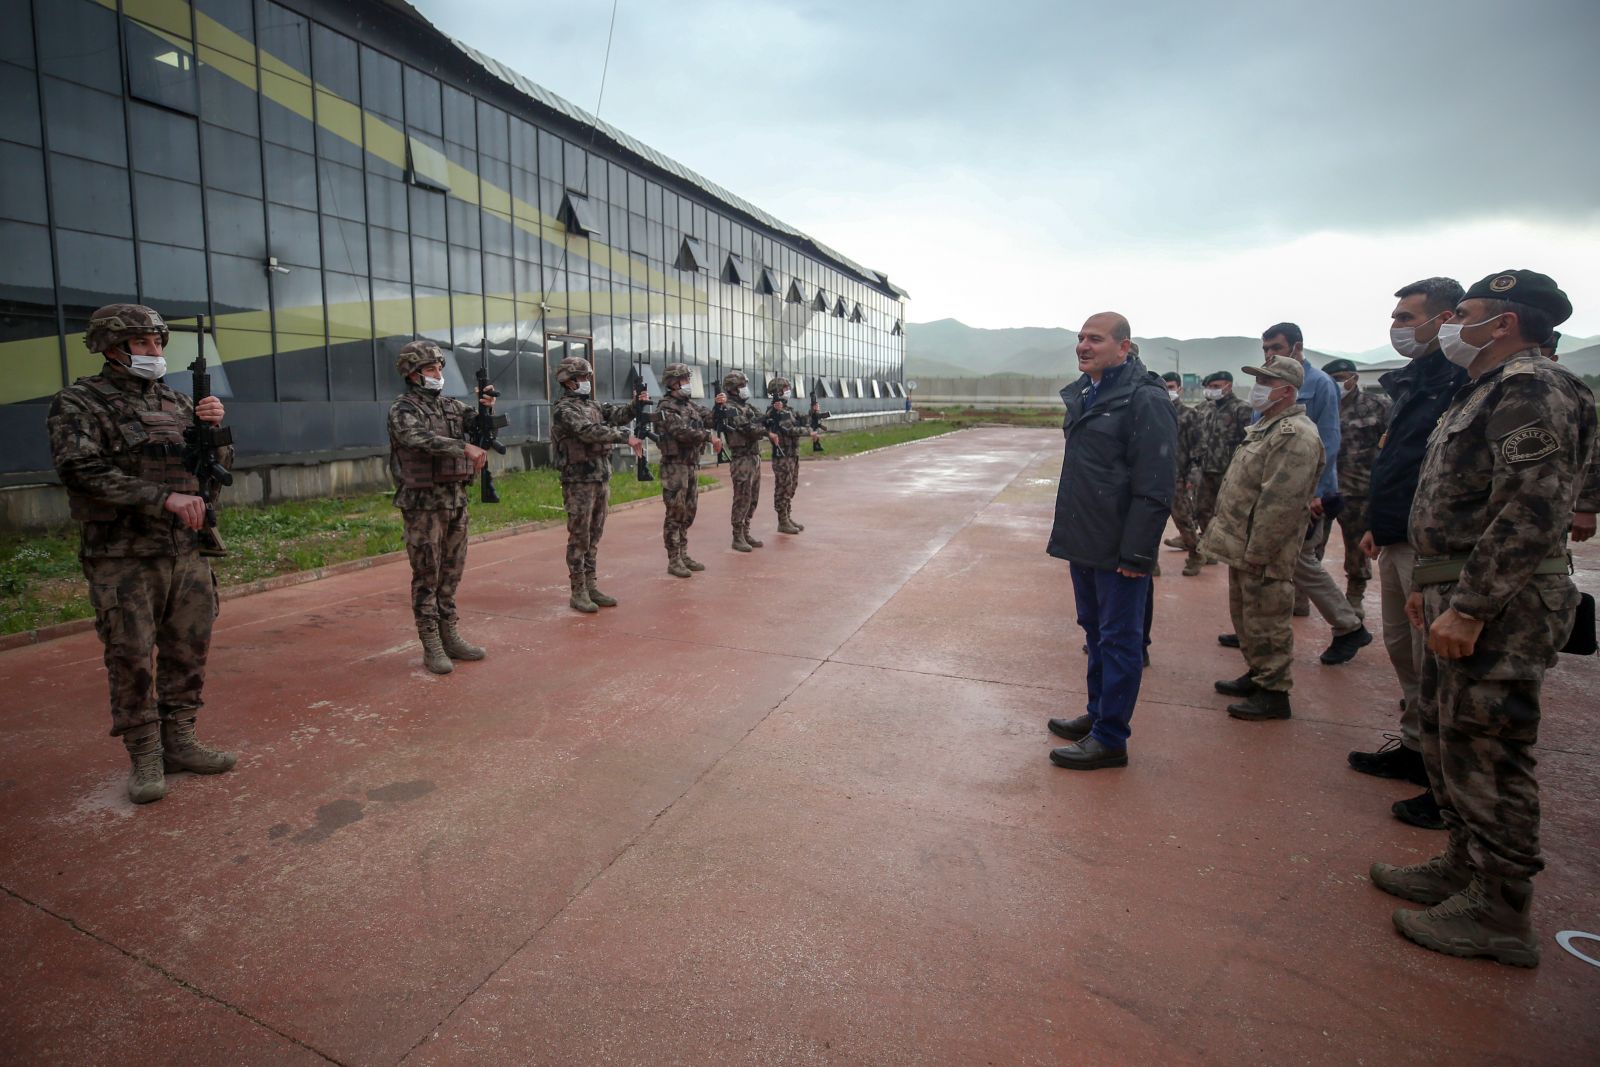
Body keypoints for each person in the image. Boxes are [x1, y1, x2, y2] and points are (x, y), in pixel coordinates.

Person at [1373, 269, 1595, 968]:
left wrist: (1469, 607)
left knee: (1491, 751)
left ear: (1503, 323)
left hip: (1501, 604)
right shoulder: (1485, 387)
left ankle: (1501, 911)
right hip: (1456, 587)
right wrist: (1431, 586)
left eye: (1461, 312)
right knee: (1451, 742)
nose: (1449, 325)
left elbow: (1533, 507)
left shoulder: (1532, 387)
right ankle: (1463, 866)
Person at [47, 304, 237, 804]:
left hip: (185, 549)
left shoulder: (178, 401)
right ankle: (145, 753)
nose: (155, 351)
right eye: (142, 343)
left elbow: (212, 469)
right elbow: (80, 470)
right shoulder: (80, 402)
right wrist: (163, 499)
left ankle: (181, 740)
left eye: (158, 342)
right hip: (124, 554)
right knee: (130, 655)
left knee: (188, 648)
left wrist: (215, 432)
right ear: (112, 348)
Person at [1346, 278, 1466, 829]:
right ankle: (1417, 749)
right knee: (1402, 648)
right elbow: (1396, 460)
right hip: (1397, 535)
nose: (1397, 327)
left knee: (1433, 660)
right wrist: (1380, 523)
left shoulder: (1462, 382)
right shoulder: (1415, 382)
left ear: (1444, 320)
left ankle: (1446, 782)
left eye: (1406, 317)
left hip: (1433, 545)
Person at [1044, 312, 1176, 770]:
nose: (1083, 345)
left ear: (1123, 347)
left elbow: (1156, 484)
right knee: (1095, 632)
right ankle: (1099, 714)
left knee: (1120, 640)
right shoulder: (1091, 392)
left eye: (1095, 339)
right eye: (1081, 338)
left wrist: (1137, 554)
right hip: (1086, 539)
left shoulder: (1145, 399)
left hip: (1119, 546)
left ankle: (1111, 738)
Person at [1221, 324, 1371, 664]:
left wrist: (1317, 493)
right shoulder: (1268, 384)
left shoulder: (1319, 384)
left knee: (1298, 562)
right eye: (1265, 348)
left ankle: (1348, 625)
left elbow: (1328, 440)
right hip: (1267, 490)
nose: (1269, 354)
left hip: (1300, 492)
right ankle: (1252, 629)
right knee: (1286, 564)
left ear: (1296, 346)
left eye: (1276, 347)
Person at [1202, 359, 1324, 720]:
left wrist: (1260, 551)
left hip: (1264, 548)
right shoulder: (1266, 427)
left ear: (1286, 391)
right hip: (1244, 543)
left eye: (1266, 382)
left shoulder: (1294, 434)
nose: (1257, 387)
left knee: (1268, 618)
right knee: (1248, 615)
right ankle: (1257, 672)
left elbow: (1281, 502)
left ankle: (1274, 691)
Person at [386, 341, 494, 674]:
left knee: (451, 571)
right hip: (424, 505)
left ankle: (450, 634)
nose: (437, 374)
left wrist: (486, 406)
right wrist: (463, 447)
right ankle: (431, 641)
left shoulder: (451, 406)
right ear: (412, 374)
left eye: (439, 368)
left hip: (455, 500)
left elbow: (479, 427)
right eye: (430, 369)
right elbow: (417, 439)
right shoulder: (403, 409)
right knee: (426, 573)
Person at [550, 355, 646, 613]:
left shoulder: (593, 405)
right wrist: (624, 437)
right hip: (578, 480)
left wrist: (636, 403)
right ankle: (578, 590)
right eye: (581, 377)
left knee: (594, 535)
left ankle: (591, 585)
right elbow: (587, 431)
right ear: (568, 381)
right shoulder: (564, 410)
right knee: (579, 536)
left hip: (600, 477)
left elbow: (619, 415)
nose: (586, 381)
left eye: (587, 377)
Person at [1317, 358, 1391, 609]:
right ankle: (1302, 597)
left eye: (1340, 379)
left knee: (1357, 548)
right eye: (1331, 380)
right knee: (1311, 547)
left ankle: (1354, 599)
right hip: (1323, 488)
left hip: (1358, 489)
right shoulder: (1321, 406)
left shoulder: (1378, 406)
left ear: (1354, 378)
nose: (1335, 384)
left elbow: (1390, 447)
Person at [654, 363, 721, 576]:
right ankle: (674, 559)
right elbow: (680, 432)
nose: (688, 383)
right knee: (675, 513)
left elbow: (711, 419)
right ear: (673, 383)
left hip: (691, 465)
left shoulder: (690, 405)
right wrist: (707, 436)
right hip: (675, 467)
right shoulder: (666, 408)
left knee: (688, 512)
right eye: (684, 379)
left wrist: (719, 406)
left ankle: (683, 554)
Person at [1540, 330, 1600, 543]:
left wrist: (1586, 508)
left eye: (1540, 354)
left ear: (1554, 359)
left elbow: (1590, 447)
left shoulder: (1566, 390)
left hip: (1550, 500)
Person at [1190, 371, 1251, 573]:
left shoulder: (1241, 409)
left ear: (1228, 386)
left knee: (1230, 514)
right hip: (1205, 470)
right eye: (1210, 386)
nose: (1212, 390)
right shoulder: (1204, 408)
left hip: (1230, 472)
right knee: (1202, 510)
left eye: (1217, 386)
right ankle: (1210, 548)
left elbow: (1249, 441)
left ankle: (1236, 552)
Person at [716, 370, 773, 552]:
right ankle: (737, 535)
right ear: (732, 388)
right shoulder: (729, 408)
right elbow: (748, 428)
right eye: (741, 385)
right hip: (741, 458)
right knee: (742, 497)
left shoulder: (747, 406)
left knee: (753, 498)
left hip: (754, 456)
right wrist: (764, 430)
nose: (745, 389)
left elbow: (763, 419)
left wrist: (766, 421)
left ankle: (746, 530)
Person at [1160, 372, 1203, 575]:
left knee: (1183, 520)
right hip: (1155, 476)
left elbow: (1198, 447)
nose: (1168, 391)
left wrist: (1193, 475)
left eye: (1170, 387)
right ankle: (1150, 562)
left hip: (1178, 477)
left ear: (1179, 389)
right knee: (1150, 522)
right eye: (1164, 387)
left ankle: (1196, 555)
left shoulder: (1189, 414)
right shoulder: (1155, 412)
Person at [766, 376, 818, 534]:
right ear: (778, 391)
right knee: (783, 487)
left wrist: (813, 412)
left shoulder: (789, 409)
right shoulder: (774, 412)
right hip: (782, 455)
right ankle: (782, 520)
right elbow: (789, 429)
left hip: (792, 454)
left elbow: (803, 420)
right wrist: (808, 432)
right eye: (786, 388)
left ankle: (787, 516)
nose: (789, 391)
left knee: (791, 486)